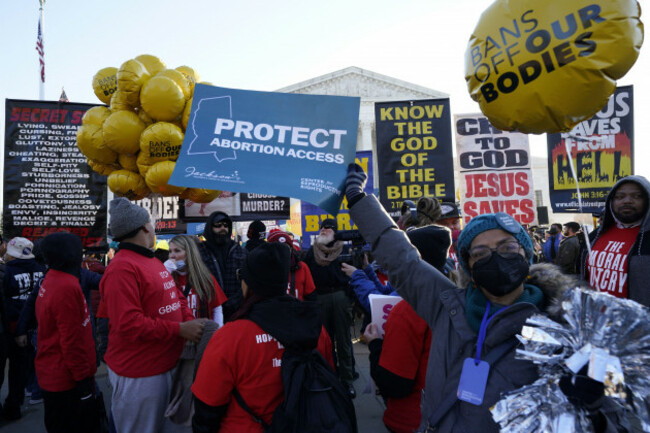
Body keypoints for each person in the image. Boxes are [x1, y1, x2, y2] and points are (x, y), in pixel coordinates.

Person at [344, 164, 626, 432]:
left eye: (507, 247)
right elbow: (401, 258)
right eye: (480, 253)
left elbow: (620, 409)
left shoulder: (574, 324)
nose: (495, 257)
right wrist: (358, 199)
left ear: (526, 255)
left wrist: (595, 412)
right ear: (468, 266)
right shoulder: (448, 306)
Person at [191, 242, 335, 432]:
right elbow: (329, 380)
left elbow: (207, 407)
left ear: (248, 284)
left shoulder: (229, 337)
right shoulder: (316, 328)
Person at [100, 197, 206, 433]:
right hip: (140, 374)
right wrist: (179, 330)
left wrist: (189, 320)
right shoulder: (121, 268)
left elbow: (175, 295)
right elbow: (128, 324)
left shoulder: (151, 260)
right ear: (145, 227)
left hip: (164, 366)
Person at [361, 225, 451, 433]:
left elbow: (394, 384)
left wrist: (375, 344)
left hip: (413, 420)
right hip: (450, 415)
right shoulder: (459, 298)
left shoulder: (409, 310)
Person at [35, 232, 98, 433]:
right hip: (66, 380)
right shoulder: (66, 286)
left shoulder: (52, 278)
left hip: (55, 373)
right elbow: (72, 341)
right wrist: (83, 382)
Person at [303, 218, 355, 398]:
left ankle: (347, 381)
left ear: (335, 231)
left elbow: (354, 275)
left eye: (329, 227)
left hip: (340, 297)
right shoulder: (311, 252)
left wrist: (350, 299)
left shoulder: (345, 250)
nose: (324, 230)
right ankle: (328, 378)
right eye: (322, 227)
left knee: (344, 341)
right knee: (324, 342)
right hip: (320, 298)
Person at [580, 176, 650, 306]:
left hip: (637, 324)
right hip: (594, 321)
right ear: (611, 201)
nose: (627, 201)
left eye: (637, 196)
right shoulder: (594, 236)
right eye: (620, 197)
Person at [0, 237, 45, 420]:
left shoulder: (7, 271)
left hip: (7, 328)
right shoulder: (42, 271)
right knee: (19, 372)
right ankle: (14, 407)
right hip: (30, 328)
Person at [166, 234, 228, 324]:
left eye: (177, 251)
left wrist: (216, 332)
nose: (172, 256)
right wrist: (164, 273)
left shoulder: (206, 278)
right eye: (170, 251)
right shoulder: (167, 278)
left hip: (202, 334)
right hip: (177, 333)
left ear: (189, 253)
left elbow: (217, 308)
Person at [198, 211, 247, 321]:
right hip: (209, 312)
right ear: (210, 228)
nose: (223, 228)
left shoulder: (240, 252)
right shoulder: (200, 252)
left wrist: (233, 303)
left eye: (226, 225)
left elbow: (248, 281)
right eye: (218, 225)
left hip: (237, 313)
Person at [266, 229, 316, 301]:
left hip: (297, 310)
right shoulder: (263, 270)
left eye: (286, 248)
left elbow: (311, 296)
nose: (283, 253)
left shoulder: (302, 267)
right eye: (278, 249)